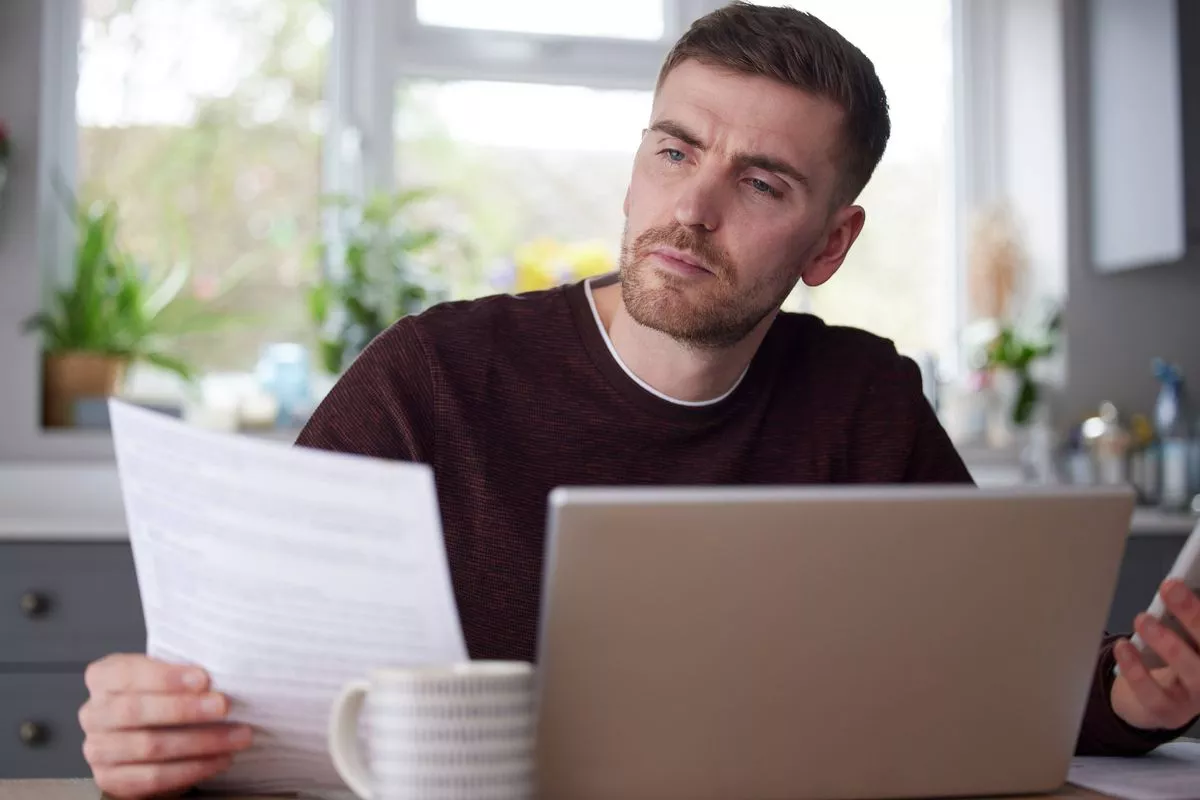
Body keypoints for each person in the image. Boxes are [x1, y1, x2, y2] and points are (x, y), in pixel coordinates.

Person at [79, 3, 1200, 797]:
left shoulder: (864, 398)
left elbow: (997, 678)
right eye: (675, 151)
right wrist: (157, 730)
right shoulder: (430, 376)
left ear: (831, 243)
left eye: (762, 183)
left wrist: (1143, 699)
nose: (692, 209)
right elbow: (238, 693)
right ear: (636, 162)